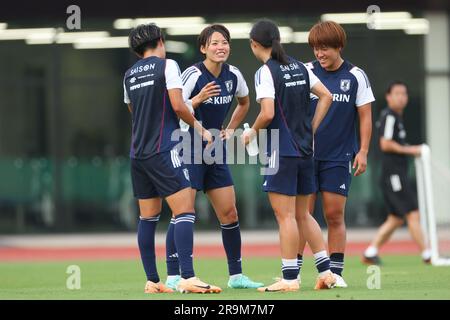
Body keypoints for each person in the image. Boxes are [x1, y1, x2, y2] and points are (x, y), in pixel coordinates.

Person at [123, 23, 221, 294]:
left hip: (138, 153)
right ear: (161, 41)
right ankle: (188, 277)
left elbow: (135, 110)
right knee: (185, 211)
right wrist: (200, 129)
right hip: (164, 149)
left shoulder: (129, 75)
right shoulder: (168, 66)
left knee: (148, 218)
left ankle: (153, 281)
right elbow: (177, 105)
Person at [164, 24, 264, 290]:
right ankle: (175, 276)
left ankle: (236, 276)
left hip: (215, 150)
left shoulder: (234, 75)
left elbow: (245, 102)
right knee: (182, 212)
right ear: (203, 48)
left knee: (229, 212)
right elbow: (175, 109)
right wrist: (197, 100)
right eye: (215, 43)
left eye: (225, 42)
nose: (221, 47)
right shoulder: (192, 74)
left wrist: (229, 130)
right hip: (187, 146)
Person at [242, 19, 336, 292]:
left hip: (279, 150)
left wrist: (251, 134)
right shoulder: (301, 66)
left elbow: (267, 112)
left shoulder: (265, 72)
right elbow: (326, 96)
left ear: (254, 44)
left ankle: (290, 278)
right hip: (305, 150)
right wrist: (311, 129)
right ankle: (326, 272)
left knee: (285, 217)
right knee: (304, 215)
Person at [296, 21, 375, 288]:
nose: (320, 54)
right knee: (302, 215)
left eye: (325, 48)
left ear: (339, 46)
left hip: (339, 156)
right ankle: (292, 273)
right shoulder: (305, 72)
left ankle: (336, 272)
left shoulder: (356, 75)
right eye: (316, 49)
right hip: (306, 155)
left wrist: (362, 151)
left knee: (334, 215)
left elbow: (365, 116)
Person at [363, 81, 431, 265]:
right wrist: (413, 150)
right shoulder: (390, 116)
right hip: (393, 175)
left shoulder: (396, 118)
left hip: (395, 174)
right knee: (412, 213)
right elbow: (385, 143)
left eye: (404, 94)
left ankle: (370, 252)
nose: (401, 97)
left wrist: (408, 148)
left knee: (396, 218)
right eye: (397, 93)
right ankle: (428, 255)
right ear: (388, 96)